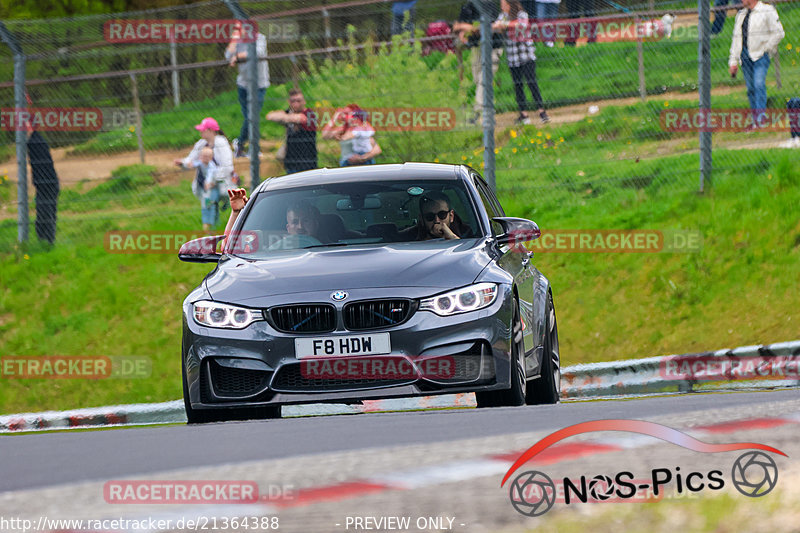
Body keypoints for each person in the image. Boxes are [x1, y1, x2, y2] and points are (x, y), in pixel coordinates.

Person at [728, 0, 784, 129]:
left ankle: (761, 120)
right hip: (745, 57)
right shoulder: (741, 14)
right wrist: (733, 61)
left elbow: (779, 33)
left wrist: (766, 48)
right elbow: (736, 39)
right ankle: (755, 121)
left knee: (759, 85)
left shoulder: (767, 10)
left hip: (760, 56)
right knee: (751, 89)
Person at [494, 0, 550, 125]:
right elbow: (497, 26)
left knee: (531, 82)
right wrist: (498, 25)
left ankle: (542, 112)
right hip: (513, 57)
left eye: (504, 4)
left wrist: (505, 24)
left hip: (526, 55)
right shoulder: (503, 16)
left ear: (510, 4)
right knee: (518, 85)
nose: (502, 6)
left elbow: (521, 25)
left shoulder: (521, 14)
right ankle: (523, 115)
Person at [453, 1, 504, 124]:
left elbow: (487, 26)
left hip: (493, 47)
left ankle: (476, 113)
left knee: (484, 80)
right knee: (478, 80)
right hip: (477, 48)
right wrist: (466, 29)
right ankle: (489, 114)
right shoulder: (467, 6)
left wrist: (468, 27)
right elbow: (457, 27)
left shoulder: (489, 4)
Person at [225, 20, 269, 158]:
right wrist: (234, 39)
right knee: (248, 117)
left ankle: (243, 144)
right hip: (243, 85)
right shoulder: (237, 41)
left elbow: (257, 52)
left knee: (252, 116)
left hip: (258, 85)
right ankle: (248, 147)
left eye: (240, 28)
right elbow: (227, 56)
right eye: (236, 29)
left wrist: (237, 57)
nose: (238, 31)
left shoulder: (259, 38)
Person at [174, 117, 236, 204]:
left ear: (211, 130)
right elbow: (191, 159)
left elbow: (227, 167)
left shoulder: (221, 143)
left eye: (203, 130)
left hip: (220, 182)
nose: (200, 132)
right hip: (205, 183)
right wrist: (182, 162)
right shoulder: (201, 144)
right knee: (209, 206)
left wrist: (213, 180)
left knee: (210, 206)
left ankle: (224, 204)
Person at [266, 89, 318, 174]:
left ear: (304, 101)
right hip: (291, 164)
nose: (296, 104)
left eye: (299, 101)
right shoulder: (288, 113)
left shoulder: (310, 114)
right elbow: (270, 116)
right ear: (289, 102)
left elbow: (300, 118)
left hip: (308, 164)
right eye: (293, 101)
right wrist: (288, 117)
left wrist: (285, 117)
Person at [26, 128, 60, 244]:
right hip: (45, 184)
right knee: (45, 213)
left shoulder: (35, 141)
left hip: (47, 184)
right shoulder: (34, 140)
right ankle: (45, 241)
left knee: (45, 214)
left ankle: (48, 241)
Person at [191, 147, 220, 234]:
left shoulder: (212, 166)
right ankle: (208, 227)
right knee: (206, 205)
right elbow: (193, 164)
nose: (205, 158)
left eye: (207, 156)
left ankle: (210, 226)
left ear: (211, 157)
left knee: (210, 206)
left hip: (212, 189)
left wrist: (208, 183)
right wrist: (185, 163)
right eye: (203, 156)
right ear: (200, 156)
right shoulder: (200, 164)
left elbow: (210, 175)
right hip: (202, 190)